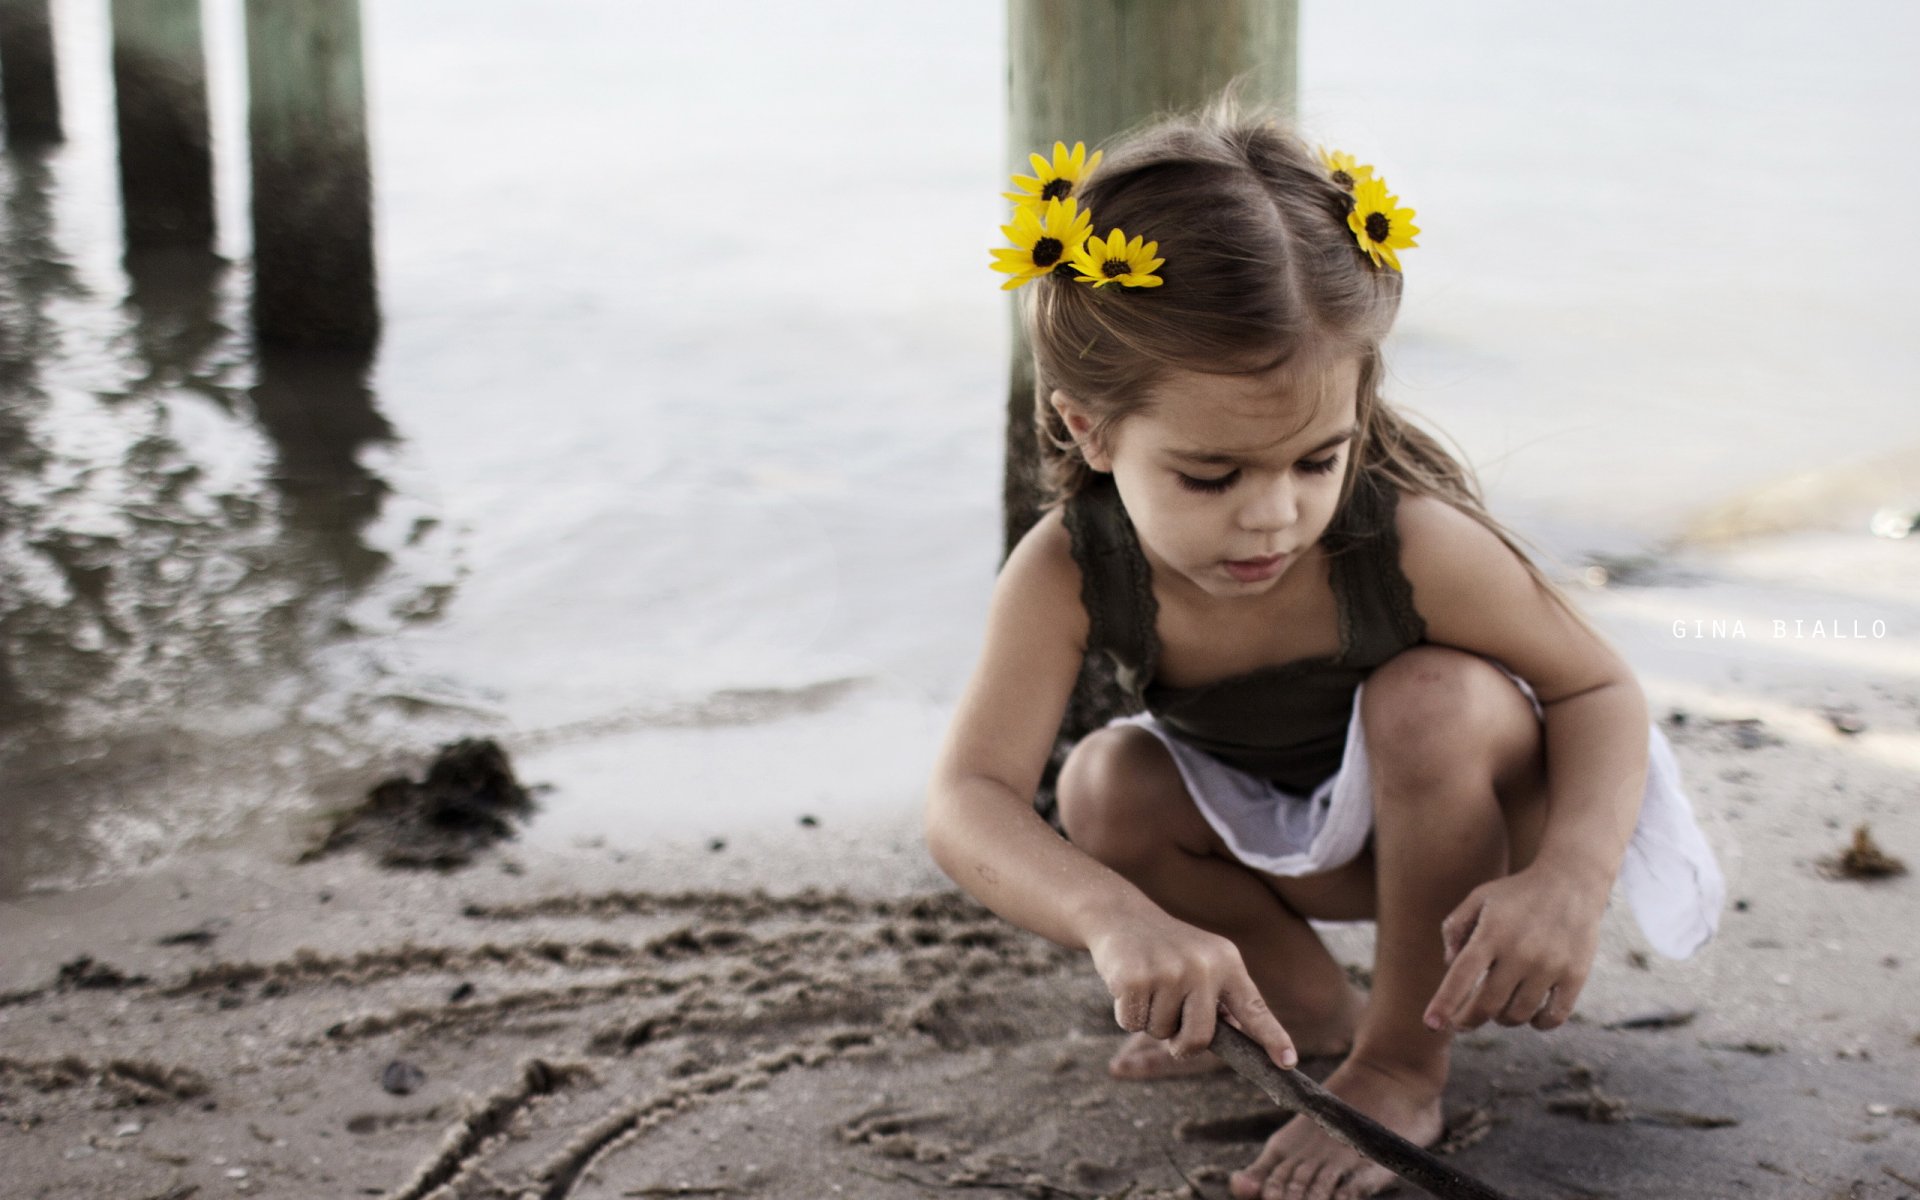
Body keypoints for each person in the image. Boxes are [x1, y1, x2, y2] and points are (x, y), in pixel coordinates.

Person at [925, 100, 1724, 1200]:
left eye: (1317, 460)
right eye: (1213, 477)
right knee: (1105, 783)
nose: (1273, 517)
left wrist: (1571, 878)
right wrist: (1123, 922)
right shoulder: (1069, 568)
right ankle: (1307, 1013)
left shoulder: (1409, 544)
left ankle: (1402, 1061)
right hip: (1300, 834)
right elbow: (969, 798)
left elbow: (1596, 686)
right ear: (1087, 429)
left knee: (1428, 698)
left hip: (1485, 813)